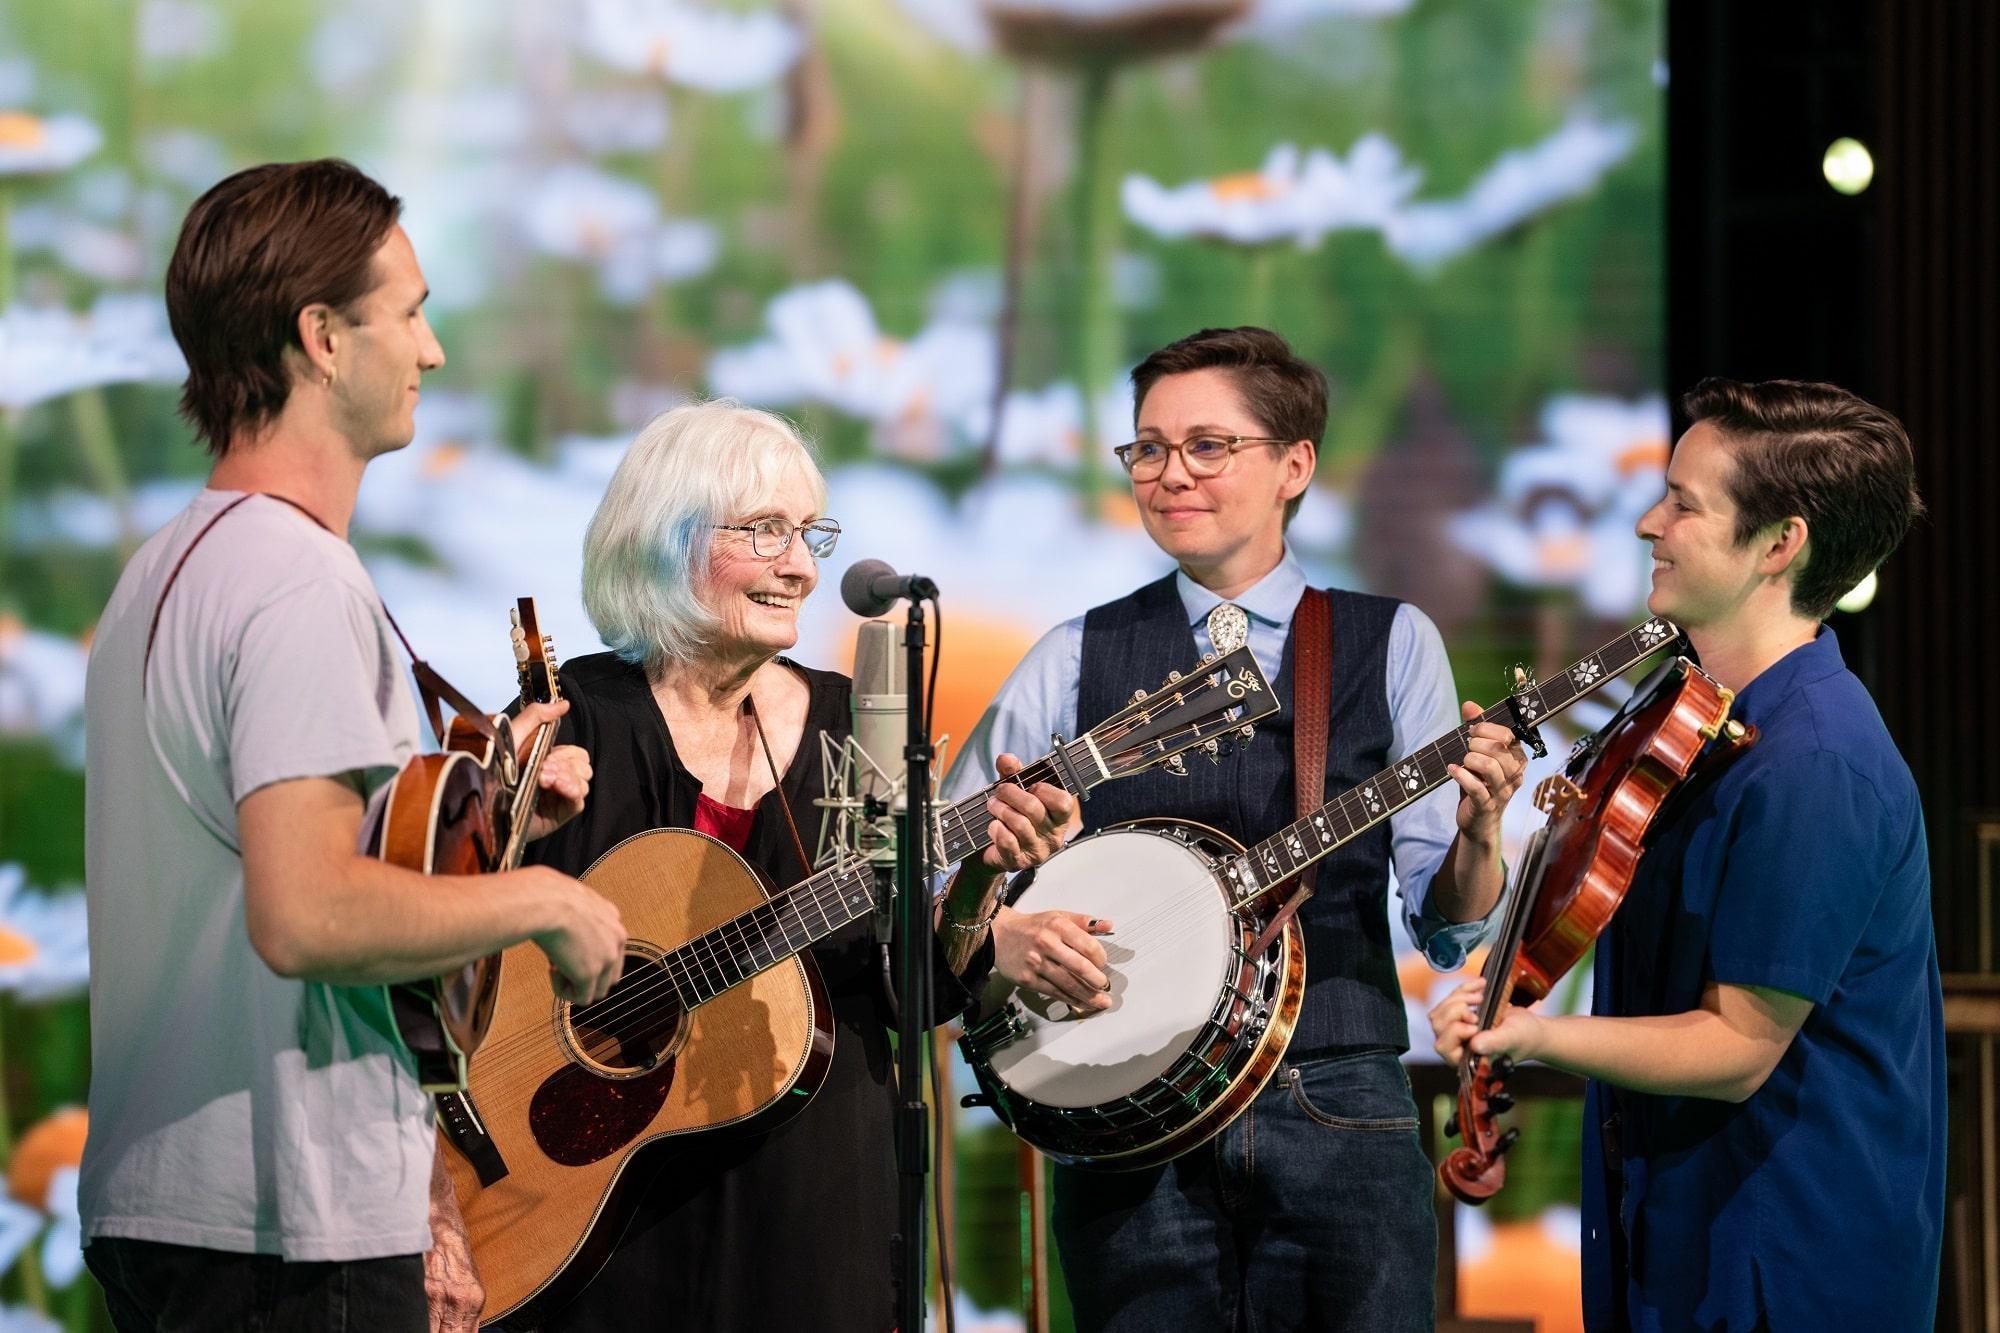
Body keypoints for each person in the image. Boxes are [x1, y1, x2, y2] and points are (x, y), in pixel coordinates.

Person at [78, 159, 627, 1333]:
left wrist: (488, 827)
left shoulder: (172, 564)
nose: (431, 351)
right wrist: (542, 899)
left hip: (173, 1207)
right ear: (322, 337)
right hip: (289, 1222)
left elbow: (249, 866)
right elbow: (308, 913)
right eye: (413, 312)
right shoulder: (295, 583)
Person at [945, 326, 1528, 1332]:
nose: (1169, 473)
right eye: (1147, 448)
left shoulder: (1389, 643)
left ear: (1293, 465)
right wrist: (1001, 930)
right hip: (1124, 1117)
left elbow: (1448, 924)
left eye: (1206, 446)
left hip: (1333, 1099)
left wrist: (1479, 831)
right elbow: (946, 871)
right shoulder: (1072, 652)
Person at [522, 400, 1077, 1332]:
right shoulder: (574, 712)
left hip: (815, 1199)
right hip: (599, 1197)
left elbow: (912, 987)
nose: (804, 567)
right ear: (667, 539)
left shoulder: (863, 722)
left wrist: (980, 877)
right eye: (766, 531)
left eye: (810, 532)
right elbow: (477, 971)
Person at [1429, 378, 1942, 1331]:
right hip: (1683, 1234)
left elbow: (1738, 1044)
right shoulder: (1701, 721)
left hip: (1779, 1264)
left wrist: (1531, 1034)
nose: (1646, 523)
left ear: (1779, 545)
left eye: (1682, 503)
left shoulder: (1815, 761)